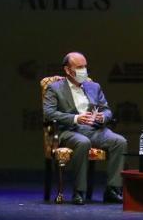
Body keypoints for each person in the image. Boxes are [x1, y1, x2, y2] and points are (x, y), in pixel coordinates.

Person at [42, 52, 127, 205]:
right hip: (69, 131)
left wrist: (103, 117)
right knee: (83, 142)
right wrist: (76, 118)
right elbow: (49, 113)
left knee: (120, 141)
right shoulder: (54, 88)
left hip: (95, 129)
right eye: (79, 67)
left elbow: (107, 110)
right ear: (68, 70)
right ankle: (79, 191)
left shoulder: (94, 86)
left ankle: (113, 190)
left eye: (85, 66)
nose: (84, 71)